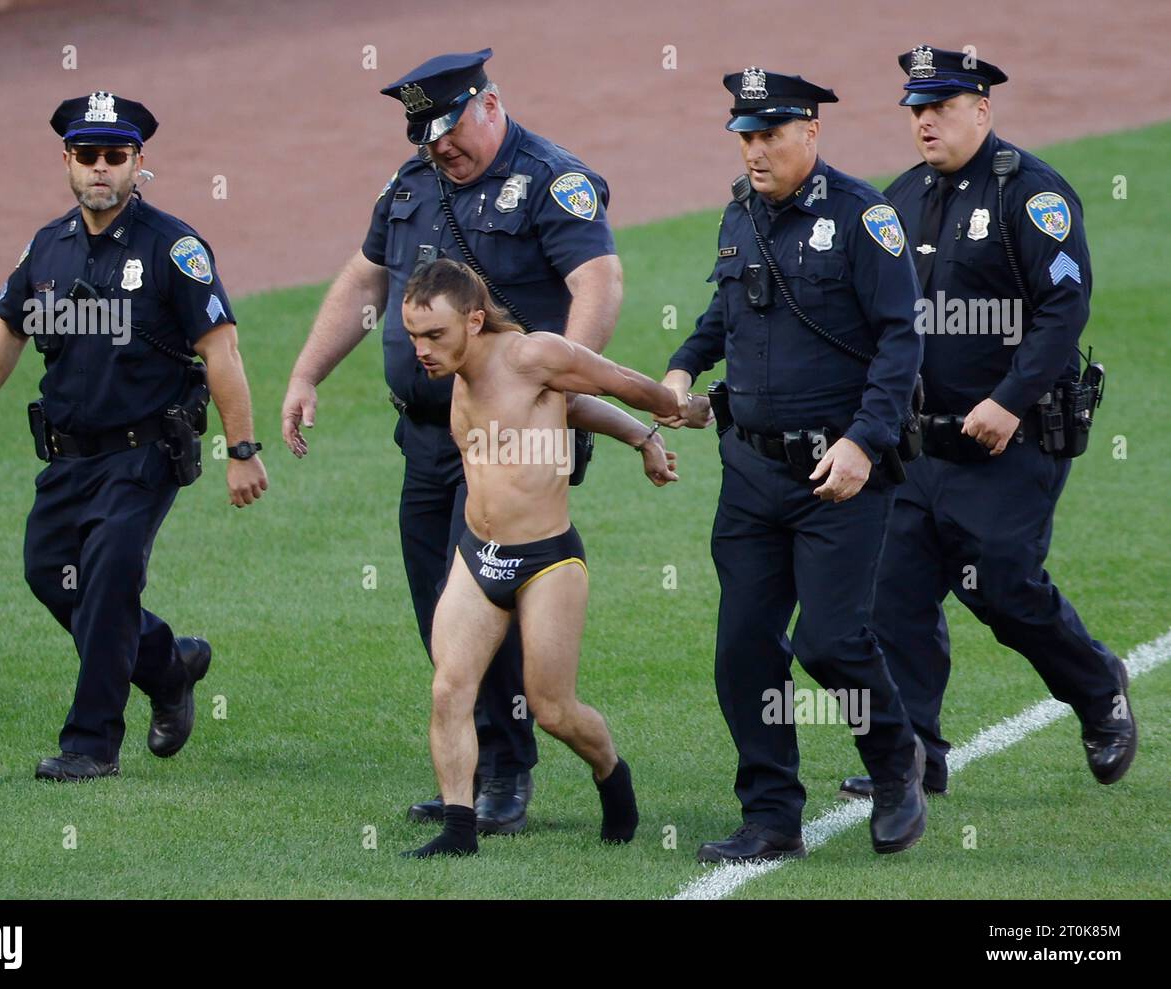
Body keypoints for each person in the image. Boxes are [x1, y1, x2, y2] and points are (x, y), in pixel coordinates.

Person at [281, 49, 624, 834]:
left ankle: (505, 772)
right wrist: (307, 372)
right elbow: (367, 276)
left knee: (488, 593)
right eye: (426, 134)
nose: (440, 146)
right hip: (429, 440)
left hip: (513, 446)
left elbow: (596, 282)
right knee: (438, 605)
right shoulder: (412, 183)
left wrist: (562, 391)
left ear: (491, 104)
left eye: (451, 128)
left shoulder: (550, 180)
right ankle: (466, 768)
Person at [837, 47, 1135, 801]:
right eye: (916, 110)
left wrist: (1006, 399)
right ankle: (913, 757)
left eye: (940, 107)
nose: (925, 122)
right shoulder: (899, 199)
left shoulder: (1031, 195)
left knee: (1001, 584)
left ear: (982, 109)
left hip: (1015, 437)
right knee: (892, 596)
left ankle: (1098, 689)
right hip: (917, 445)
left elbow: (1064, 308)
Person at [0, 93, 267, 781]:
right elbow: (9, 326)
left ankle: (91, 744)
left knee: (110, 577)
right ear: (66, 161)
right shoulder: (47, 246)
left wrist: (242, 450)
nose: (100, 168)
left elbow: (221, 349)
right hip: (67, 453)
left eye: (115, 156)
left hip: (142, 452)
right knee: (48, 573)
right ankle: (167, 665)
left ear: (138, 163)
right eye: (86, 155)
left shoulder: (172, 247)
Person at [659, 68, 929, 862]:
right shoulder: (740, 212)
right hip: (749, 473)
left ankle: (893, 764)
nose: (753, 150)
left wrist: (863, 440)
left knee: (830, 641)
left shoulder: (861, 216)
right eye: (744, 136)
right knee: (744, 646)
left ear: (811, 131)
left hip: (838, 477)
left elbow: (900, 341)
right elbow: (724, 311)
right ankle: (772, 815)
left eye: (769, 134)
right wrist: (682, 368)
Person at [398, 259, 678, 857]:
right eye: (413, 336)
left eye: (434, 336)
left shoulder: (532, 355)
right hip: (477, 554)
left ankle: (611, 775)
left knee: (553, 709)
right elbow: (557, 410)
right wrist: (639, 435)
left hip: (547, 561)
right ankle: (458, 830)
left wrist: (660, 417)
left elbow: (606, 382)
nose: (421, 350)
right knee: (450, 689)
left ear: (474, 320)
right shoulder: (458, 373)